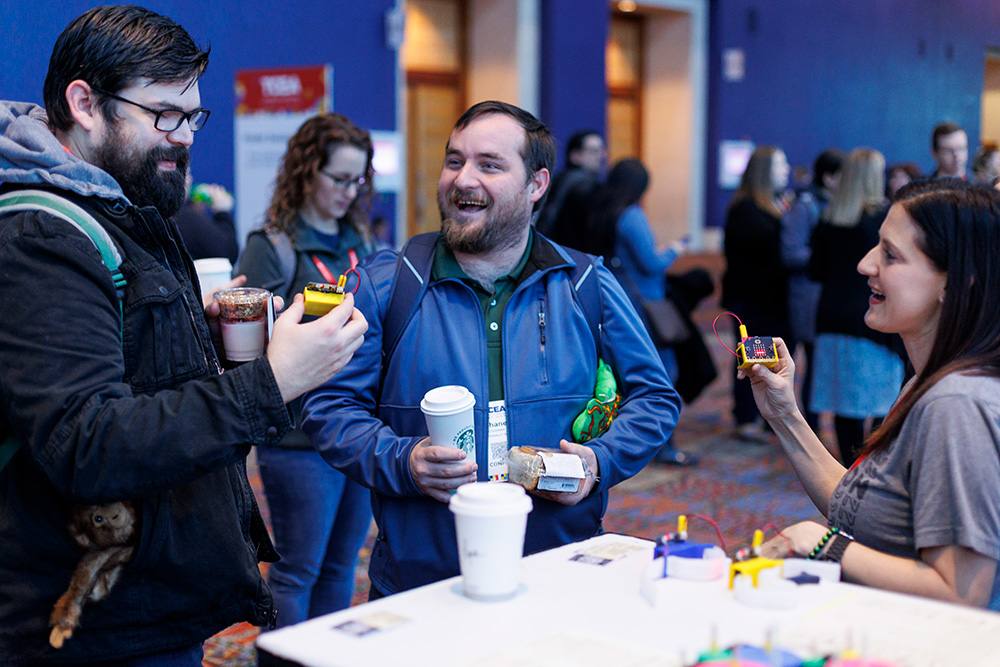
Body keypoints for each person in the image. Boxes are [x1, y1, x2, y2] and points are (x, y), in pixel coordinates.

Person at [0, 7, 367, 663]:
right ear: (85, 103)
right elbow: (88, 441)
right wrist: (273, 380)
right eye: (164, 114)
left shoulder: (120, 203)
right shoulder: (43, 232)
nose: (184, 136)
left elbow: (130, 371)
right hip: (90, 625)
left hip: (144, 603)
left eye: (193, 117)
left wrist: (201, 334)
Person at [301, 101, 680, 597]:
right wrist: (403, 460)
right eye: (454, 160)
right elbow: (329, 406)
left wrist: (597, 463)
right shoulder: (387, 284)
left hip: (561, 578)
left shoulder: (586, 283)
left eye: (490, 165)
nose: (463, 179)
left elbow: (654, 398)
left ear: (536, 185)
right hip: (422, 585)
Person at [745, 182, 1000, 610]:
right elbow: (860, 504)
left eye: (890, 254)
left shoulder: (956, 403)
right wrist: (784, 414)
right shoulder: (926, 382)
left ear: (953, 283)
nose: (865, 264)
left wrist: (825, 545)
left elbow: (962, 590)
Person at [236, 113, 376, 626]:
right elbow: (245, 346)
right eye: (338, 178)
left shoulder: (361, 239)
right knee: (298, 570)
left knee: (342, 567)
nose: (348, 190)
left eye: (357, 180)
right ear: (306, 171)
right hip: (298, 436)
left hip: (359, 429)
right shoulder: (272, 245)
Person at [585, 158, 695, 466]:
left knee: (622, 373)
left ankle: (626, 438)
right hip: (645, 303)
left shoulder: (601, 212)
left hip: (617, 298)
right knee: (662, 375)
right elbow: (651, 263)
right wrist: (675, 249)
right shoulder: (631, 215)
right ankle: (663, 445)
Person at [808, 148, 902, 466]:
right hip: (871, 319)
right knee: (881, 403)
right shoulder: (882, 221)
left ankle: (847, 468)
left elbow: (814, 271)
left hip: (831, 317)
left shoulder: (828, 218)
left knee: (842, 403)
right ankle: (873, 471)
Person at [721, 145, 792, 442]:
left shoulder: (766, 206)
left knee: (762, 357)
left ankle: (758, 416)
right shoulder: (747, 209)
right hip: (753, 299)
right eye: (780, 165)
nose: (786, 170)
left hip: (765, 298)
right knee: (752, 358)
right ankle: (746, 417)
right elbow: (760, 257)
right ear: (765, 172)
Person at [780, 149, 844, 430]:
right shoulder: (806, 205)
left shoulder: (834, 204)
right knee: (801, 361)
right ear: (829, 177)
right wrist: (828, 257)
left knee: (818, 364)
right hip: (805, 296)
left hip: (823, 295)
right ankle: (801, 424)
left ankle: (811, 423)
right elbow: (791, 252)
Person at [536, 129, 606, 246]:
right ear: (575, 156)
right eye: (594, 151)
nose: (601, 156)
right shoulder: (585, 188)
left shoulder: (559, 180)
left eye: (601, 150)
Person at [174, 171, 238, 262]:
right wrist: (222, 212)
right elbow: (227, 254)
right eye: (186, 173)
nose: (189, 180)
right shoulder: (184, 216)